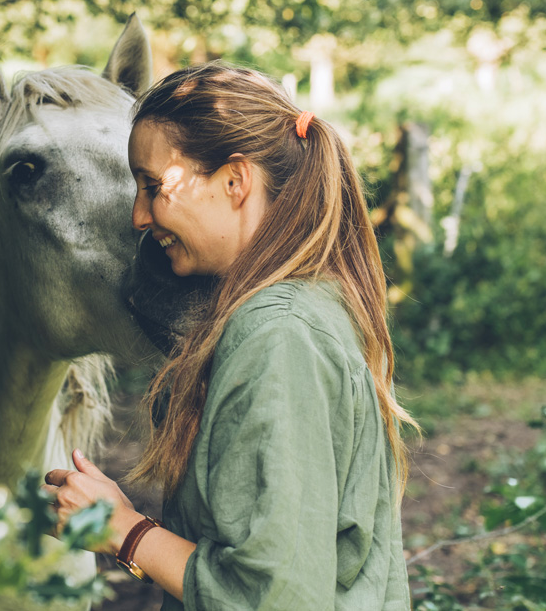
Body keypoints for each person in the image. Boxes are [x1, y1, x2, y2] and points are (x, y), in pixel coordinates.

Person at [43, 62, 417, 609]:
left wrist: (125, 532)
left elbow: (273, 595)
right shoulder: (309, 304)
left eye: (153, 186)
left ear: (235, 181)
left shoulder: (277, 337)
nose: (138, 216)